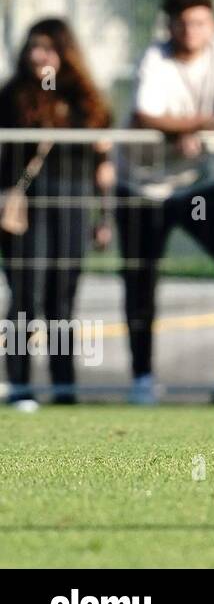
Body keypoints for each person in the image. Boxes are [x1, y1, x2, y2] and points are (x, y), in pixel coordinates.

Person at [115, 0, 214, 404]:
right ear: (170, 27)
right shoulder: (154, 59)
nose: (191, 31)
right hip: (140, 187)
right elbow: (146, 114)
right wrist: (197, 126)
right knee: (140, 281)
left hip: (196, 186)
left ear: (212, 24)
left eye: (200, 22)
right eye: (183, 23)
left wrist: (185, 127)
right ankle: (142, 377)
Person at [0, 20, 114, 406]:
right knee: (25, 296)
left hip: (73, 202)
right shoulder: (12, 96)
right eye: (33, 47)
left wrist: (103, 218)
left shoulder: (84, 99)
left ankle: (64, 386)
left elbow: (103, 164)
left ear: (64, 52)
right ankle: (20, 384)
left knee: (62, 297)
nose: (38, 56)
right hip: (26, 209)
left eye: (47, 48)